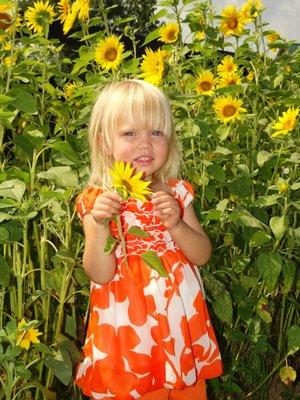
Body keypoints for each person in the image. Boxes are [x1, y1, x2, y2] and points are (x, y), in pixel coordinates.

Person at [75, 79, 223, 400]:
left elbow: (201, 255)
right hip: (128, 333)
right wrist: (101, 225)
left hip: (179, 326)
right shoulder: (98, 201)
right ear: (104, 142)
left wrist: (176, 225)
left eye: (156, 132)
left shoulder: (176, 192)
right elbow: (99, 273)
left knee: (185, 392)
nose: (145, 144)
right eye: (130, 133)